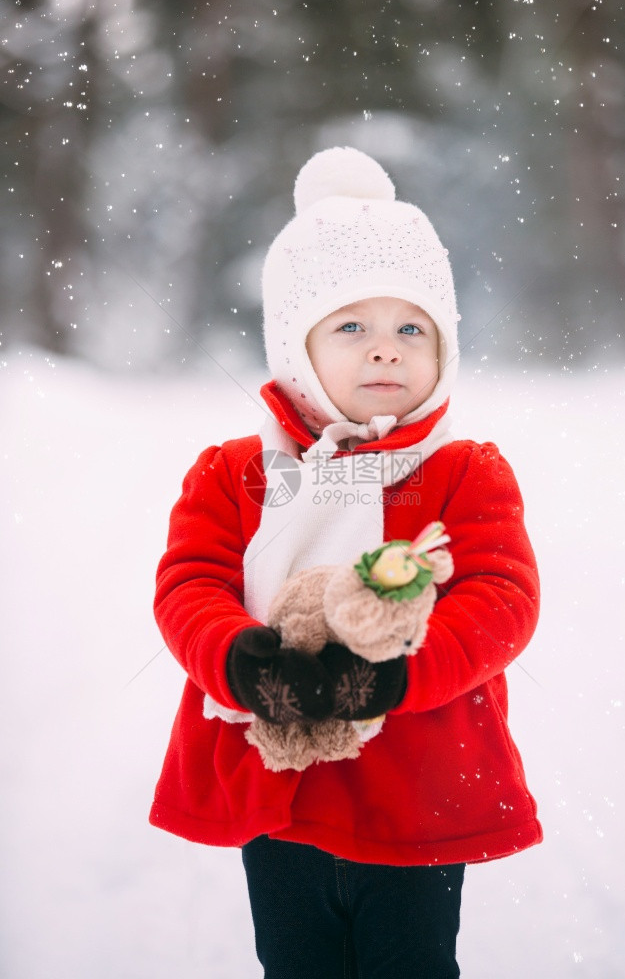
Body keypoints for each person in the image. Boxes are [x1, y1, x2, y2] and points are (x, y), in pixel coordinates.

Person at [150, 146, 542, 978]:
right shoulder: (237, 473)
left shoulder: (463, 470)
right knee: (297, 962)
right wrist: (239, 663)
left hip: (418, 795)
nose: (386, 351)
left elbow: (502, 600)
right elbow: (190, 583)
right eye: (351, 327)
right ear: (296, 348)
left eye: (412, 328)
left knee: (412, 963)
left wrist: (395, 675)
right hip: (277, 797)